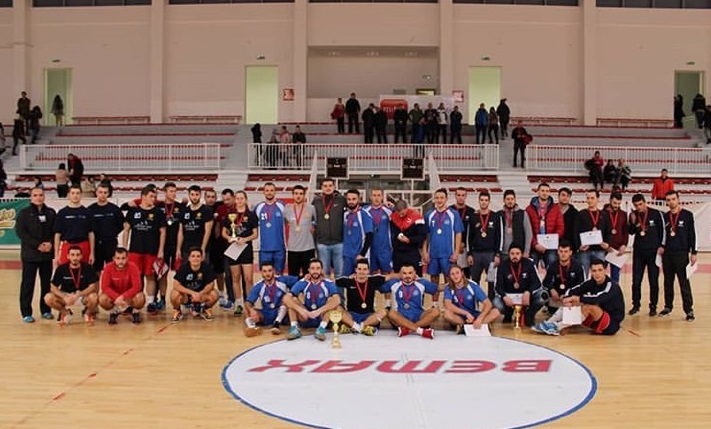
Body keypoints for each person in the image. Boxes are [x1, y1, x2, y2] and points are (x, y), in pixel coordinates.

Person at [533, 259, 624, 336]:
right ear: (591, 272)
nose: (597, 273)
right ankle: (549, 323)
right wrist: (567, 298)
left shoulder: (612, 286)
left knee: (589, 306)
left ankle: (557, 327)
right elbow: (572, 290)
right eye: (594, 271)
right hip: (596, 320)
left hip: (611, 324)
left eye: (600, 270)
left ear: (605, 271)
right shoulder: (591, 282)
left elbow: (598, 298)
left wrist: (578, 299)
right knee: (573, 301)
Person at [122, 185, 167, 315]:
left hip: (151, 250)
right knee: (134, 277)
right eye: (151, 196)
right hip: (135, 250)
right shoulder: (133, 211)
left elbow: (163, 232)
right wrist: (124, 248)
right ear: (143, 196)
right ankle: (132, 303)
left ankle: (150, 303)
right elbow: (126, 230)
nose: (153, 199)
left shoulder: (158, 212)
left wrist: (161, 250)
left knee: (150, 276)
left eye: (155, 197)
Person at [15, 187, 56, 323]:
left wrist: (50, 244)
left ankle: (46, 310)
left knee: (46, 284)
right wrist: (37, 245)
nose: (38, 197)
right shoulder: (24, 213)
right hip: (30, 255)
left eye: (41, 195)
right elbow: (21, 232)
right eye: (35, 195)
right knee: (28, 284)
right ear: (31, 197)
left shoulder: (50, 213)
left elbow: (55, 231)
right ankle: (26, 312)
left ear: (44, 196)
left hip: (46, 256)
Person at [660, 190, 696, 321]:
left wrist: (694, 252)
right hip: (667, 254)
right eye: (668, 200)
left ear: (678, 199)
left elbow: (692, 234)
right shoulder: (665, 217)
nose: (671, 202)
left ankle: (689, 310)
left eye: (673, 199)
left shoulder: (687, 215)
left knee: (684, 282)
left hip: (681, 254)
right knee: (668, 282)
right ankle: (668, 307)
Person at [221, 190, 258, 316]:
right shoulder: (230, 215)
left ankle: (250, 303)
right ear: (235, 200)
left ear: (246, 199)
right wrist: (229, 238)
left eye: (242, 198)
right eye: (237, 198)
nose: (239, 201)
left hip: (246, 249)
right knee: (235, 278)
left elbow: (255, 234)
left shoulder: (251, 215)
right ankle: (239, 304)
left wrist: (245, 239)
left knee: (248, 278)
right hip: (233, 249)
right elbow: (224, 232)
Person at [284, 259, 341, 341]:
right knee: (292, 300)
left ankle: (321, 328)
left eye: (318, 268)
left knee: (332, 300)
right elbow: (286, 298)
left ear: (321, 270)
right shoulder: (303, 282)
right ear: (309, 270)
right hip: (306, 316)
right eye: (313, 268)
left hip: (321, 316)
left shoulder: (328, 283)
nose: (315, 271)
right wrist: (302, 311)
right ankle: (294, 328)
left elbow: (337, 300)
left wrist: (318, 311)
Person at [628, 194, 664, 316]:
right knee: (636, 281)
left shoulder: (656, 214)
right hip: (639, 252)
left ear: (645, 202)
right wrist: (633, 222)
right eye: (636, 205)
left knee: (653, 281)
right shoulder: (633, 215)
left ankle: (653, 306)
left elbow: (662, 231)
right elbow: (631, 232)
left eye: (640, 204)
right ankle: (635, 305)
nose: (638, 207)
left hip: (653, 252)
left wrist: (662, 246)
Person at [44, 245, 99, 326]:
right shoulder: (61, 269)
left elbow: (92, 286)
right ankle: (66, 313)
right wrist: (64, 296)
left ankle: (87, 314)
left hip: (82, 295)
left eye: (77, 255)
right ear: (68, 256)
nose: (75, 257)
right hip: (67, 296)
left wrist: (79, 294)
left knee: (94, 297)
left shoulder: (88, 268)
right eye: (72, 255)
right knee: (48, 298)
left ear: (81, 256)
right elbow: (52, 287)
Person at [382, 263, 440, 339]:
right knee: (391, 313)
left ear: (415, 273)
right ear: (400, 274)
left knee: (436, 311)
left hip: (419, 316)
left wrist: (452, 284)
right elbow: (377, 286)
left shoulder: (421, 283)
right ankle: (421, 331)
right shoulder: (393, 283)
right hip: (401, 317)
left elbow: (438, 288)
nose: (407, 276)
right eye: (404, 273)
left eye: (410, 273)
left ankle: (408, 330)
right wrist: (391, 276)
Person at [335, 259, 389, 336]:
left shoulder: (373, 280)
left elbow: (390, 277)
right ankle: (359, 327)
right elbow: (332, 281)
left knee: (384, 311)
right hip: (351, 316)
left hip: (368, 316)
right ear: (355, 270)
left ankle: (358, 327)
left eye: (364, 269)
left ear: (368, 271)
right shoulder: (349, 280)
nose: (362, 271)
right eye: (359, 269)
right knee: (337, 308)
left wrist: (401, 275)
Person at [494, 243, 542, 327]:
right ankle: (508, 314)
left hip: (525, 296)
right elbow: (498, 286)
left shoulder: (529, 264)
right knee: (496, 302)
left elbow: (537, 282)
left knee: (542, 296)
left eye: (517, 253)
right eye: (512, 254)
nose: (515, 256)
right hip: (509, 297)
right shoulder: (502, 266)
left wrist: (529, 292)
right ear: (509, 254)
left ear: (522, 254)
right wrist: (504, 296)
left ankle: (529, 315)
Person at [244, 262, 299, 336]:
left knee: (287, 299)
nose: (267, 274)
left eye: (269, 270)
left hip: (283, 314)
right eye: (265, 271)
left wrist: (294, 292)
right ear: (261, 273)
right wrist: (251, 310)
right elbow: (248, 302)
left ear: (274, 271)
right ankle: (252, 328)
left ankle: (277, 323)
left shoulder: (282, 280)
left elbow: (300, 280)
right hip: (266, 314)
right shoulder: (258, 286)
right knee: (246, 308)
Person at [443, 265, 500, 334]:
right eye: (452, 274)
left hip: (474, 315)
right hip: (460, 317)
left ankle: (469, 326)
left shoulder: (472, 285)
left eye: (457, 273)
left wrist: (480, 318)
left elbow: (488, 304)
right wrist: (466, 313)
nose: (455, 276)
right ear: (450, 276)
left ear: (462, 273)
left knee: (496, 312)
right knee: (447, 314)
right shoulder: (448, 287)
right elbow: (448, 305)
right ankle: (470, 326)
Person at [423, 188, 463, 284]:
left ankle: (448, 295)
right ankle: (435, 295)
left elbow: (458, 233)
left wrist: (456, 252)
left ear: (446, 199)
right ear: (434, 199)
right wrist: (425, 252)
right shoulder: (429, 215)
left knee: (449, 279)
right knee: (433, 279)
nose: (439, 200)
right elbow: (425, 235)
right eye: (437, 198)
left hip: (448, 254)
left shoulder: (453, 214)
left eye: (442, 198)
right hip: (433, 253)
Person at [170, 247, 220, 322]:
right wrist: (192, 293)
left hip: (201, 295)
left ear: (202, 258)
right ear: (189, 258)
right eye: (193, 256)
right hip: (186, 296)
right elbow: (176, 284)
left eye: (198, 256)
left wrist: (200, 293)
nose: (195, 259)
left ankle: (205, 308)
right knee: (174, 294)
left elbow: (211, 284)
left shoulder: (206, 267)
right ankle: (177, 310)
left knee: (214, 294)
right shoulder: (184, 268)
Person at [155, 182, 184, 310]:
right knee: (162, 273)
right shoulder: (158, 207)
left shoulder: (180, 207)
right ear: (165, 192)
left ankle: (182, 298)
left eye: (175, 191)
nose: (173, 193)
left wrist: (179, 248)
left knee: (179, 274)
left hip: (176, 246)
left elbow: (181, 229)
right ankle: (162, 299)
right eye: (171, 191)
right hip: (162, 246)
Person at [99, 247, 145, 325]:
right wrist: (117, 297)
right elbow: (105, 287)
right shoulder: (108, 267)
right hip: (115, 298)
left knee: (140, 298)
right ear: (114, 259)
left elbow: (137, 286)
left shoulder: (133, 267)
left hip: (129, 297)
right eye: (118, 258)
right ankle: (114, 311)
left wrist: (123, 297)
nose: (121, 261)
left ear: (127, 258)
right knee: (102, 299)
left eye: (123, 258)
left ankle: (134, 311)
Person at [467, 191, 501, 293]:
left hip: (490, 254)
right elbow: (468, 237)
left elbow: (499, 236)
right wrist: (469, 254)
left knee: (491, 281)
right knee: (474, 281)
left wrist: (497, 254)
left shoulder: (495, 216)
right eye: (482, 200)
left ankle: (491, 301)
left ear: (489, 202)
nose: (483, 202)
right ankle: (475, 302)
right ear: (479, 201)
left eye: (486, 200)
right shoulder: (473, 217)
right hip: (476, 254)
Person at [312, 177, 346, 277]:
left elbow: (354, 208)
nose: (328, 188)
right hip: (322, 243)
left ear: (334, 187)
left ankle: (339, 288)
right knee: (324, 273)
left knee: (340, 274)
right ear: (321, 188)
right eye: (325, 186)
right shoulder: (316, 201)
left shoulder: (341, 199)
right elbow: (312, 219)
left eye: (330, 185)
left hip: (339, 242)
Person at [526, 183, 564, 268]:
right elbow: (527, 230)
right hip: (535, 246)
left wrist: (552, 240)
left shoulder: (556, 208)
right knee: (532, 268)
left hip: (550, 246)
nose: (545, 193)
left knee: (553, 267)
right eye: (542, 190)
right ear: (538, 192)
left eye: (547, 191)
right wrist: (535, 244)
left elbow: (560, 227)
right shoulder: (529, 209)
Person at [53, 185, 94, 265]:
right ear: (69, 195)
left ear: (81, 195)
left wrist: (92, 253)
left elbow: (91, 233)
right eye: (73, 193)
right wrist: (56, 255)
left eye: (77, 193)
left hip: (83, 245)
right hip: (67, 245)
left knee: (84, 270)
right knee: (65, 270)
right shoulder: (62, 213)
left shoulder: (87, 212)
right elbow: (57, 234)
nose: (75, 196)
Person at [88, 183, 124, 275]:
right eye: (100, 192)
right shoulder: (90, 210)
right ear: (96, 193)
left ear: (108, 194)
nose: (103, 195)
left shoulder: (115, 209)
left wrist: (112, 233)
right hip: (96, 245)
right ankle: (96, 285)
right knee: (96, 272)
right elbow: (88, 228)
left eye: (105, 192)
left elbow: (121, 225)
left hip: (110, 244)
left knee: (113, 270)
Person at [541, 240, 585, 313]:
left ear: (570, 252)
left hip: (571, 297)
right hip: (557, 298)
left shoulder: (578, 266)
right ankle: (549, 310)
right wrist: (551, 289)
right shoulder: (552, 265)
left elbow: (581, 285)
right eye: (561, 251)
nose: (563, 254)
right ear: (557, 252)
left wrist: (568, 294)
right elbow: (546, 282)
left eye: (566, 251)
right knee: (542, 295)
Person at [574, 189, 612, 274]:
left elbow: (608, 231)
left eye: (592, 198)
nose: (590, 200)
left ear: (597, 199)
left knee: (599, 275)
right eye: (588, 198)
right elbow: (575, 231)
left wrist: (607, 244)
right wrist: (579, 246)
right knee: (583, 274)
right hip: (584, 250)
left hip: (599, 250)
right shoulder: (581, 214)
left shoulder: (604, 215)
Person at [253, 182, 286, 274]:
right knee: (266, 274)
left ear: (275, 192)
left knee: (279, 275)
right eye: (267, 190)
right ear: (263, 192)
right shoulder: (258, 207)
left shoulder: (282, 206)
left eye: (271, 190)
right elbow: (253, 225)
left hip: (279, 247)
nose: (269, 192)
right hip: (264, 248)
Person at [284, 185, 316, 277]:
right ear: (293, 195)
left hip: (308, 248)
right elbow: (285, 222)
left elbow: (316, 222)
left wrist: (313, 226)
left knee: (309, 276)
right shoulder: (287, 209)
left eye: (301, 194)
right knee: (293, 277)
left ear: (304, 195)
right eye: (296, 193)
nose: (298, 196)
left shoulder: (311, 208)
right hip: (293, 249)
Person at [390, 199, 427, 276]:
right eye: (398, 213)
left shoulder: (417, 217)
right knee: (397, 276)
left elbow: (422, 236)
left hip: (413, 252)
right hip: (398, 253)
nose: (401, 215)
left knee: (417, 275)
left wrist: (409, 240)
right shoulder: (392, 217)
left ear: (406, 208)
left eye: (403, 213)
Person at [176, 185, 213, 261]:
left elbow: (207, 232)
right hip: (187, 249)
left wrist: (203, 248)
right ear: (189, 195)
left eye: (197, 194)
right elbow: (180, 231)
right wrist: (178, 249)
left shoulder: (206, 210)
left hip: (200, 249)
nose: (194, 197)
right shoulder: (184, 211)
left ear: (200, 195)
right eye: (192, 194)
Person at [342, 189, 373, 276]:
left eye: (354, 199)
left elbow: (369, 236)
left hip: (360, 255)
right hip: (346, 255)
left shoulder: (364, 214)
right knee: (346, 280)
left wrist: (362, 254)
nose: (351, 202)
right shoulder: (344, 214)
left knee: (361, 280)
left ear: (359, 199)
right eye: (349, 199)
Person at [364, 188, 393, 274]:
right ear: (370, 197)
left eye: (379, 195)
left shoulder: (389, 210)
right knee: (372, 274)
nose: (376, 198)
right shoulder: (365, 211)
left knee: (387, 273)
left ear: (382, 197)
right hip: (370, 249)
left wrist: (393, 206)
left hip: (385, 248)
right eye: (374, 195)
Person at [450, 187, 476, 277]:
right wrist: (456, 244)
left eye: (463, 195)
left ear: (466, 196)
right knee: (452, 271)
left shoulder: (471, 211)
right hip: (452, 246)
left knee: (466, 272)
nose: (461, 197)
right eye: (458, 195)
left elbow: (472, 231)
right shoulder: (450, 210)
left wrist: (464, 244)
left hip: (466, 247)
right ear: (455, 196)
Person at [605, 192, 629, 284]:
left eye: (619, 203)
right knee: (599, 273)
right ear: (610, 200)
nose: (616, 206)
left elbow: (625, 231)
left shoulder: (623, 214)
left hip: (617, 250)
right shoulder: (603, 213)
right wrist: (604, 245)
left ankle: (614, 292)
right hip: (604, 248)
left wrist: (624, 245)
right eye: (614, 203)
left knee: (615, 277)